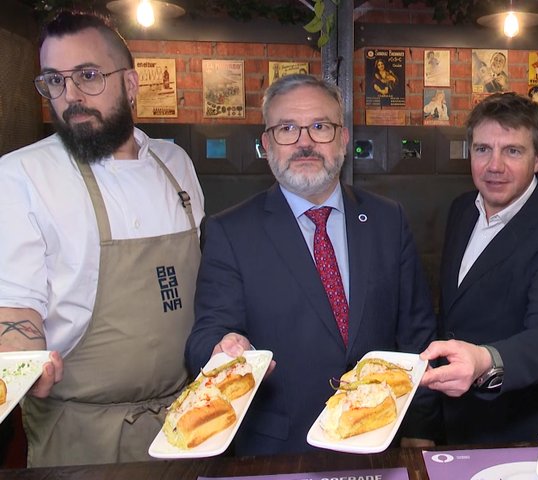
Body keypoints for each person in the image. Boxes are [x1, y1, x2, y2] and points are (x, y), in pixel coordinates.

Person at [186, 74, 437, 455]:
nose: (304, 142)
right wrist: (221, 347)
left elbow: (417, 335)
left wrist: (420, 427)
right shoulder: (230, 231)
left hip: (378, 437)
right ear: (267, 143)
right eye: (287, 128)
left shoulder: (388, 220)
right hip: (278, 452)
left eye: (320, 126)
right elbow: (205, 335)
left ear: (343, 137)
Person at [0, 10, 204, 466]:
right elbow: (14, 310)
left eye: (88, 75)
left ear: (131, 84)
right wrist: (21, 362)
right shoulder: (22, 177)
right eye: (54, 80)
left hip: (188, 423)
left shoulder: (176, 165)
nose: (69, 96)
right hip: (79, 435)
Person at [419, 93, 538, 444]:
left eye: (512, 151)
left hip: (513, 431)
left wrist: (485, 360)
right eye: (483, 149)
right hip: (452, 421)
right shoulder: (462, 209)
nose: (494, 165)